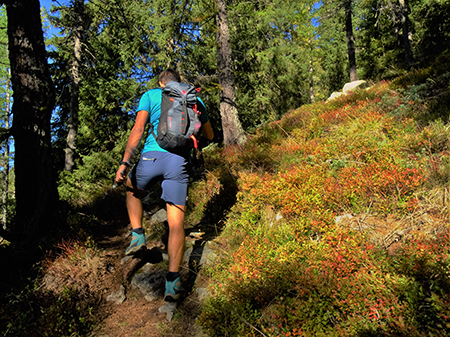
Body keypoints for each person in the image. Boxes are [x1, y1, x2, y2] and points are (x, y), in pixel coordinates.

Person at [115, 69, 214, 302]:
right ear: (178, 83)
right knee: (177, 223)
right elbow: (209, 134)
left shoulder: (151, 95)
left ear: (161, 83)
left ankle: (138, 237)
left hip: (151, 158)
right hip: (179, 163)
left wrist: (125, 163)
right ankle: (172, 283)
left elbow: (138, 129)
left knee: (132, 189)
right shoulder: (195, 99)